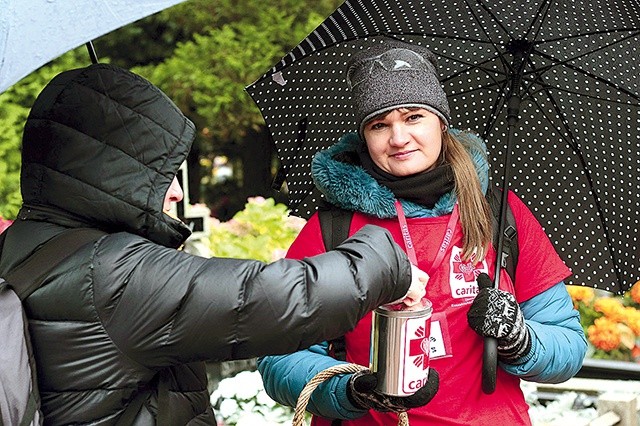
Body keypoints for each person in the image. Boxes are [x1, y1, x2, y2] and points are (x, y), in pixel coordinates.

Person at [0, 63, 432, 425]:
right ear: (108, 173)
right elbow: (263, 298)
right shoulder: (110, 272)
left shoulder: (26, 244)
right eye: (161, 175)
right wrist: (385, 258)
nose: (176, 194)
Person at [257, 38, 588, 425]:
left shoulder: (501, 214)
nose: (398, 138)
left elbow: (568, 344)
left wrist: (520, 338)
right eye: (380, 124)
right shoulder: (333, 227)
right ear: (364, 135)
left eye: (413, 116)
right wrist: (352, 390)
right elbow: (279, 356)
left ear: (441, 122)